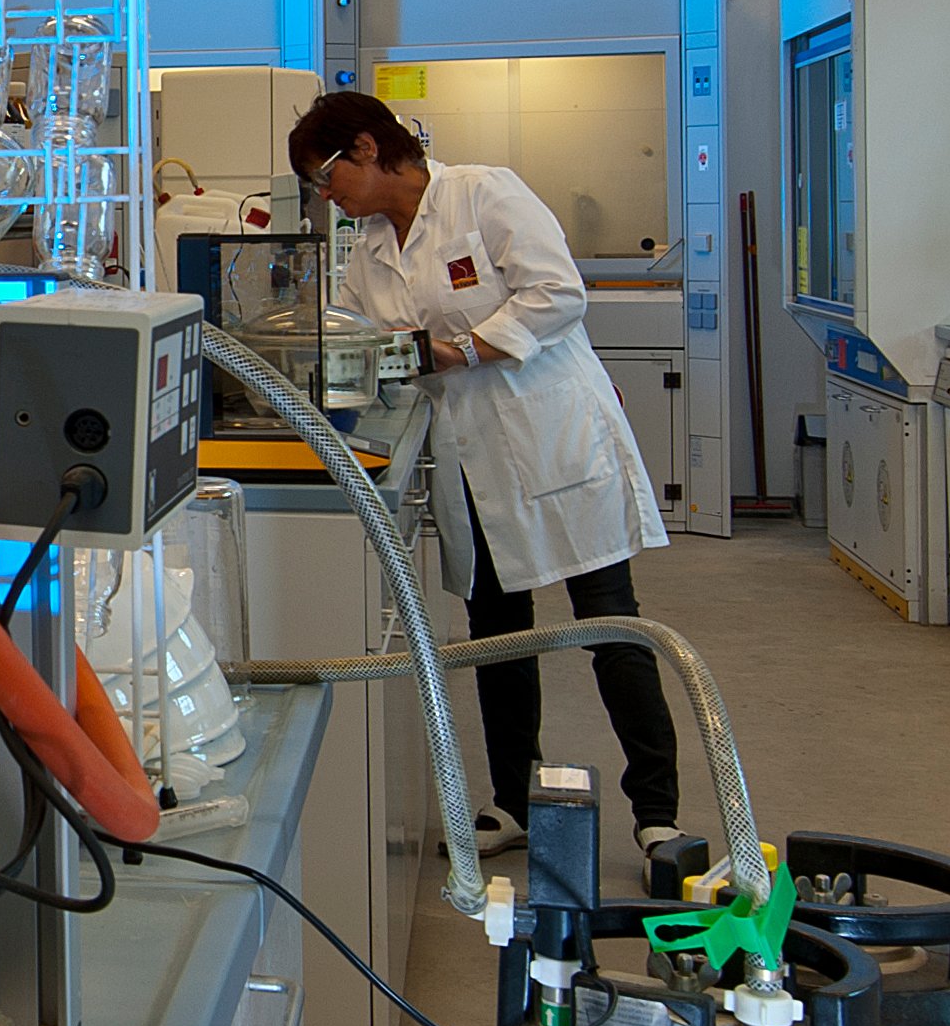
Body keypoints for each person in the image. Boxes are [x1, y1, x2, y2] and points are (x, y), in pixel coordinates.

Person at [288, 86, 685, 880]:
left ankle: (658, 816)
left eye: (325, 174)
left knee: (609, 625)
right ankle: (516, 796)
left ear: (367, 148)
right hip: (469, 456)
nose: (323, 195)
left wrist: (459, 348)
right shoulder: (365, 244)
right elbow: (353, 334)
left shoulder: (482, 192)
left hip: (550, 440)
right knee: (499, 632)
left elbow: (558, 294)